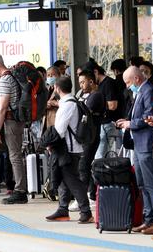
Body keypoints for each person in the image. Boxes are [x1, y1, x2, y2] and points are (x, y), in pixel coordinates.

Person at [116, 66, 153, 235]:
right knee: (142, 183)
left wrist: (131, 124)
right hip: (138, 144)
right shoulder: (141, 92)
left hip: (146, 143)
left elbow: (149, 117)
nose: (128, 86)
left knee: (151, 183)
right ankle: (148, 219)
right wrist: (127, 120)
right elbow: (139, 116)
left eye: (128, 82)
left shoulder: (149, 91)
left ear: (136, 79)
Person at [44, 77, 93, 223]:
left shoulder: (66, 106)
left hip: (68, 149)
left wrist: (49, 143)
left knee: (72, 180)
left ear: (57, 88)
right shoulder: (72, 102)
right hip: (71, 148)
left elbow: (59, 130)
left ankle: (86, 211)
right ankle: (62, 210)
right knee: (64, 180)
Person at [0, 53, 28, 204]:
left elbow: (3, 108)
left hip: (11, 121)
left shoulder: (4, 80)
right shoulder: (11, 76)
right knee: (15, 155)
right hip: (17, 120)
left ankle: (20, 190)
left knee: (15, 156)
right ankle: (20, 188)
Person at [76, 70, 104, 204]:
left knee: (83, 165)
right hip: (87, 135)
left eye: (83, 82)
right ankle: (91, 193)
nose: (81, 86)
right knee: (85, 165)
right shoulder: (86, 95)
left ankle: (86, 196)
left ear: (91, 82)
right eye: (79, 83)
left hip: (91, 136)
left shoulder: (96, 96)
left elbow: (84, 111)